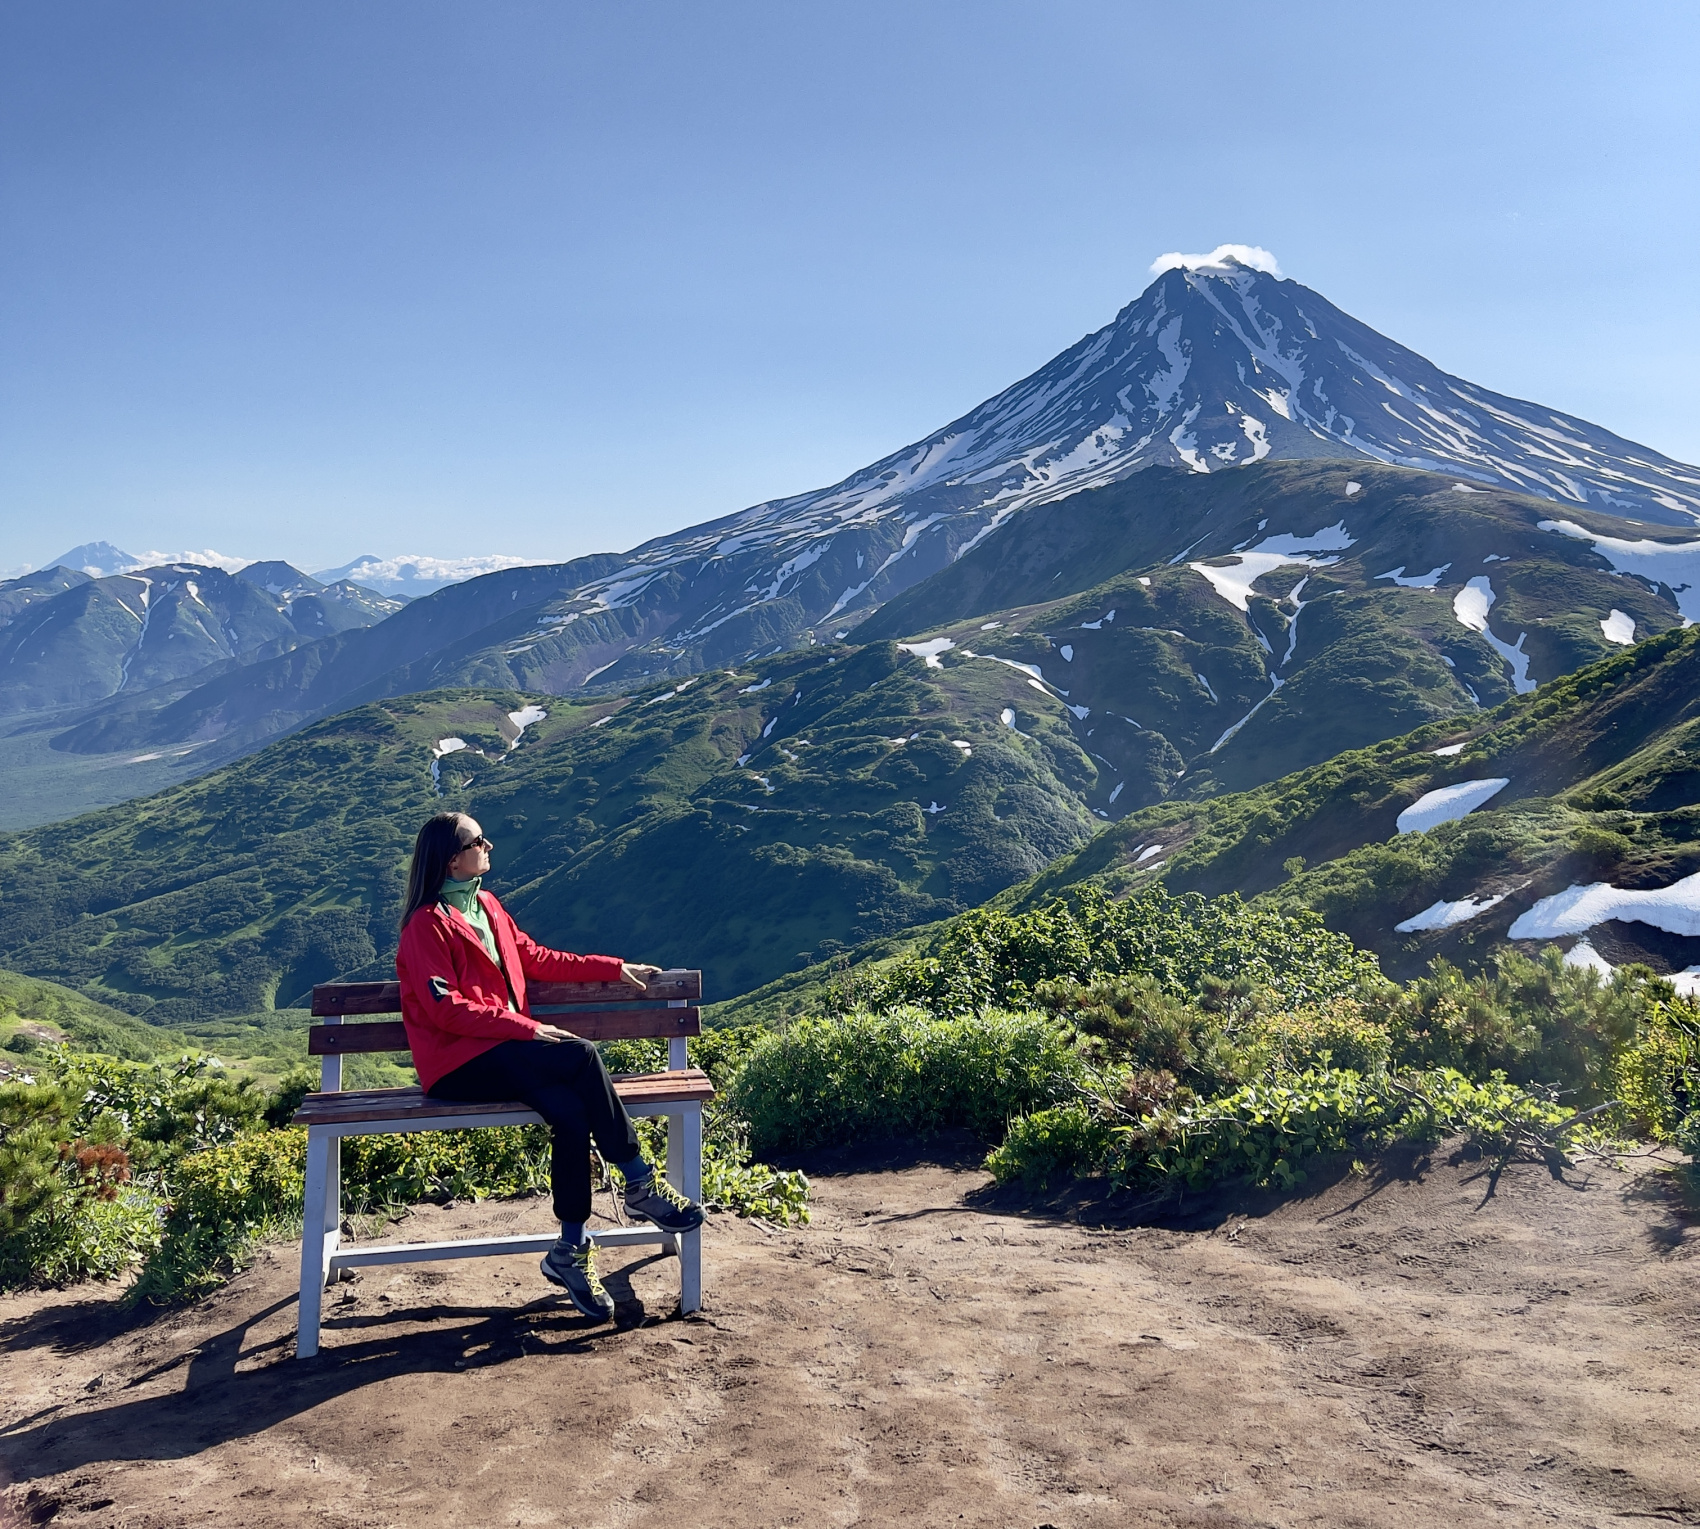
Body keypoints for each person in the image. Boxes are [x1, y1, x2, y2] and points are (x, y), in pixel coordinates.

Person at [395, 810, 703, 1321]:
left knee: (569, 1109)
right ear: (453, 858)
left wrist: (612, 968)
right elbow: (443, 1008)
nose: (489, 845)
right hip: (457, 1064)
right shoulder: (426, 926)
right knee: (580, 1054)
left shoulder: (486, 906)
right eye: (479, 840)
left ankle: (569, 1249)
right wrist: (529, 1029)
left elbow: (536, 957)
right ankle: (641, 1184)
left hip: (504, 1053)